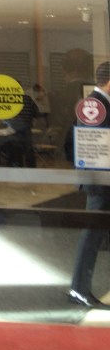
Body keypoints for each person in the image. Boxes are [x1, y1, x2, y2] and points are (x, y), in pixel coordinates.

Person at [68, 61, 110, 311]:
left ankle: (79, 286)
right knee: (92, 235)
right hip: (100, 181)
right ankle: (79, 288)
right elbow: (95, 146)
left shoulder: (100, 105)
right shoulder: (94, 105)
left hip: (103, 179)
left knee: (96, 234)